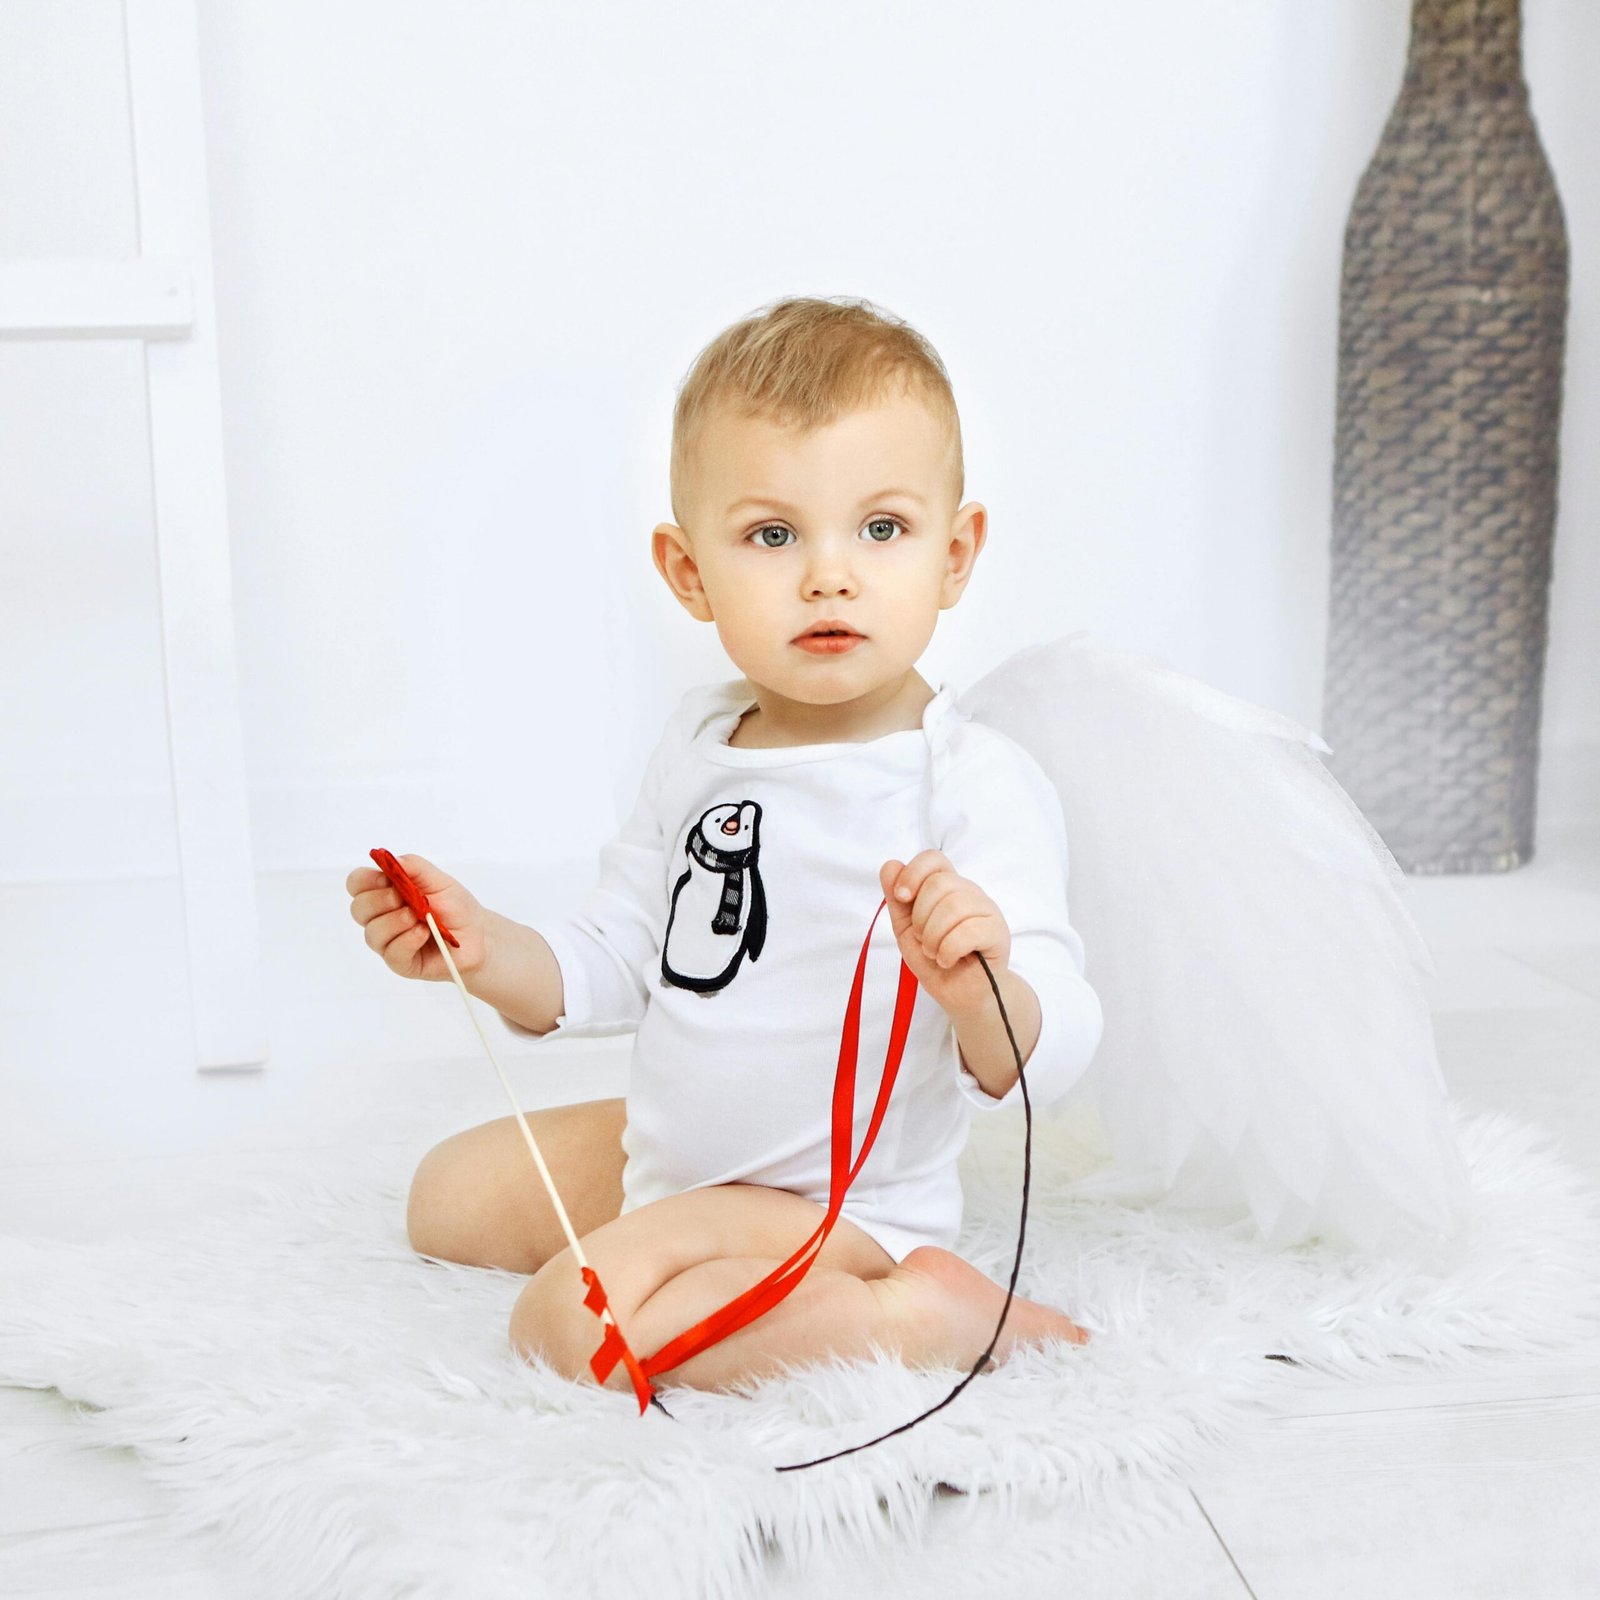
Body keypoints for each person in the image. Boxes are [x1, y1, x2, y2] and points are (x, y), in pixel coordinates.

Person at [345, 295, 1105, 1396]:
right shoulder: (701, 745)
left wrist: (982, 986)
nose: (828, 575)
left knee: (575, 1323)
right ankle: (683, 1240)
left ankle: (919, 1312)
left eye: (880, 529)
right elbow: (618, 955)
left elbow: (1052, 1046)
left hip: (840, 1208)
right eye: (772, 534)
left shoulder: (965, 780)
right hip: (690, 1161)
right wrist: (482, 946)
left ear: (955, 553)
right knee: (446, 1196)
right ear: (688, 570)